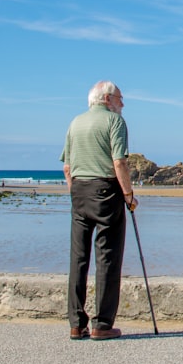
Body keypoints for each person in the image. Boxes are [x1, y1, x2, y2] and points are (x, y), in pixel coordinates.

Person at [62, 80, 137, 341]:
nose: (122, 103)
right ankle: (102, 324)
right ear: (107, 98)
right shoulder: (115, 122)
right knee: (107, 256)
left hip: (79, 190)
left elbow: (67, 168)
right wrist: (128, 195)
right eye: (120, 98)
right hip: (106, 189)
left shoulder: (75, 122)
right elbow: (119, 162)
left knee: (78, 258)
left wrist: (75, 192)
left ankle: (75, 322)